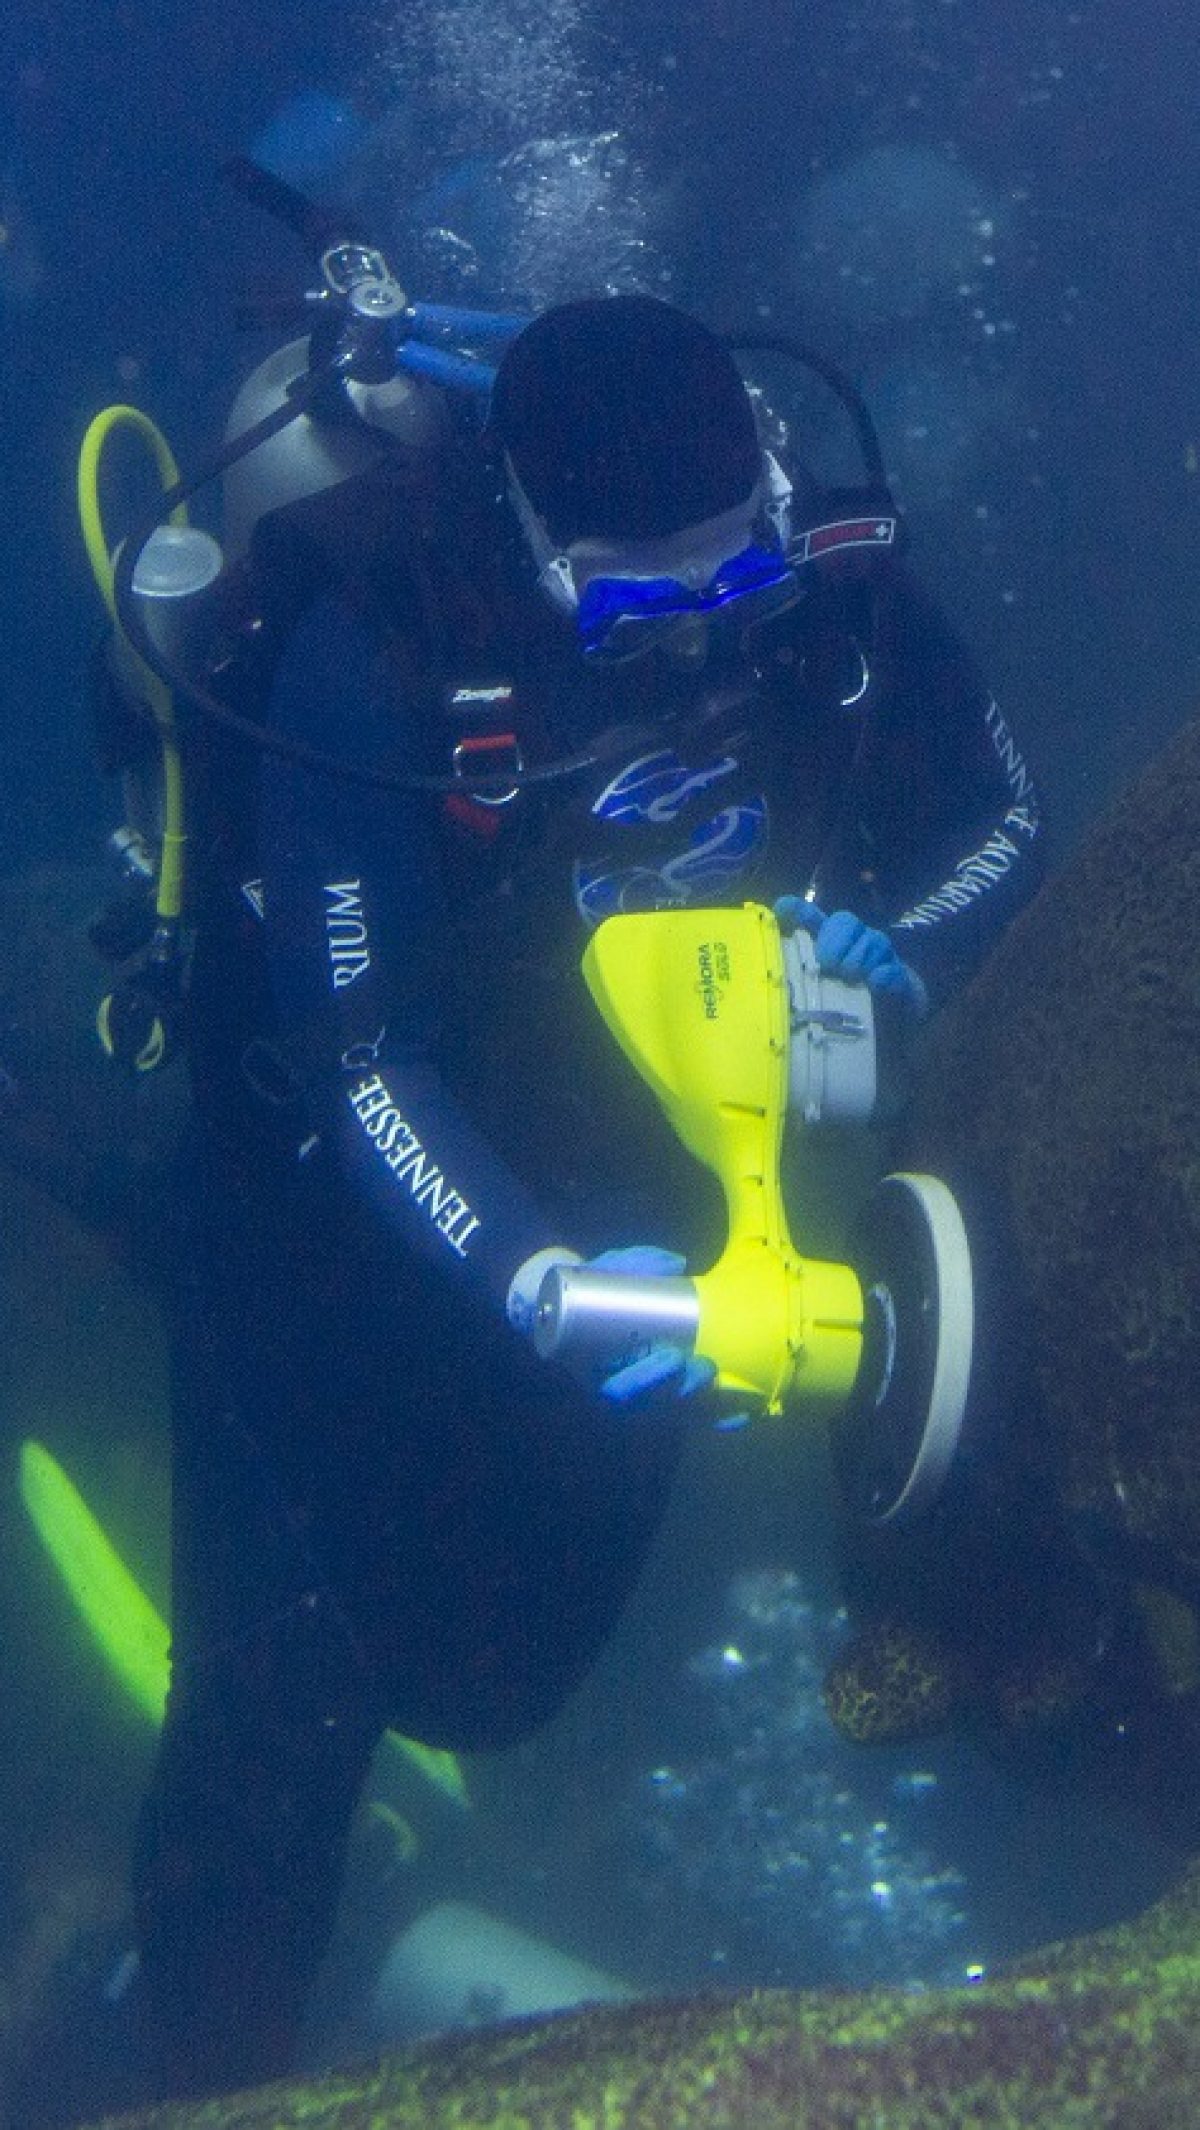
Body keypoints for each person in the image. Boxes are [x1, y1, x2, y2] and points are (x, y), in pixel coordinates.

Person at [122, 292, 1040, 2099]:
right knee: (277, 1716)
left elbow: (993, 819)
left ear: (775, 496)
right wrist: (530, 1275)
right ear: (534, 547)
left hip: (646, 1186)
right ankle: (179, 2055)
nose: (698, 639)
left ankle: (405, 1862)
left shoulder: (828, 596)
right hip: (327, 1224)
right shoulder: (372, 648)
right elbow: (358, 1055)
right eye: (635, 603)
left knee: (497, 1679)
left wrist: (905, 955)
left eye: (733, 583)